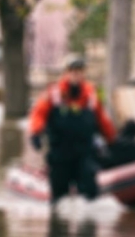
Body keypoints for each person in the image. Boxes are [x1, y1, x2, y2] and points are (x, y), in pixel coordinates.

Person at [29, 56, 116, 205]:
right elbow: (38, 114)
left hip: (84, 153)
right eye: (73, 71)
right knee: (59, 197)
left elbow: (102, 120)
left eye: (79, 71)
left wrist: (112, 141)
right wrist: (36, 133)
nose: (76, 74)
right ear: (66, 73)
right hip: (60, 153)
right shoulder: (53, 94)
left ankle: (87, 224)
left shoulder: (90, 95)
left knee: (90, 192)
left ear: (84, 73)